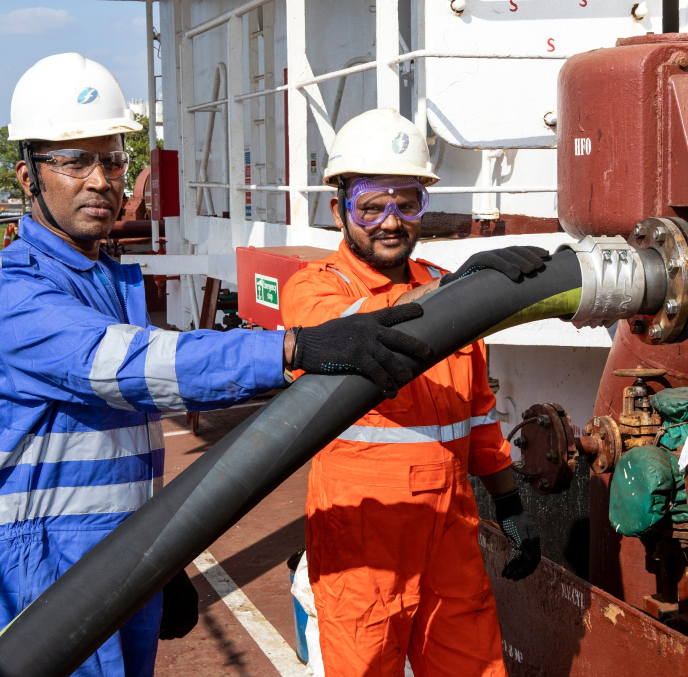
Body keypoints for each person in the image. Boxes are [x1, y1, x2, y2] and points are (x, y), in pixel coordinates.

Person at [0, 57, 431, 677]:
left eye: (113, 159)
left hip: (114, 566)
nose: (100, 180)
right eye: (73, 160)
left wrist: (156, 562)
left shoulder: (100, 281)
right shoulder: (19, 295)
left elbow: (117, 446)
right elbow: (133, 366)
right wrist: (292, 348)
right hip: (46, 574)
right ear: (28, 177)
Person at [281, 108, 546, 677]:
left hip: (450, 533)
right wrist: (462, 291)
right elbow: (357, 329)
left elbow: (479, 417)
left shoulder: (441, 288)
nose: (391, 221)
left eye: (408, 202)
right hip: (362, 543)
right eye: (371, 205)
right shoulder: (316, 291)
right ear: (339, 209)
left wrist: (511, 506)